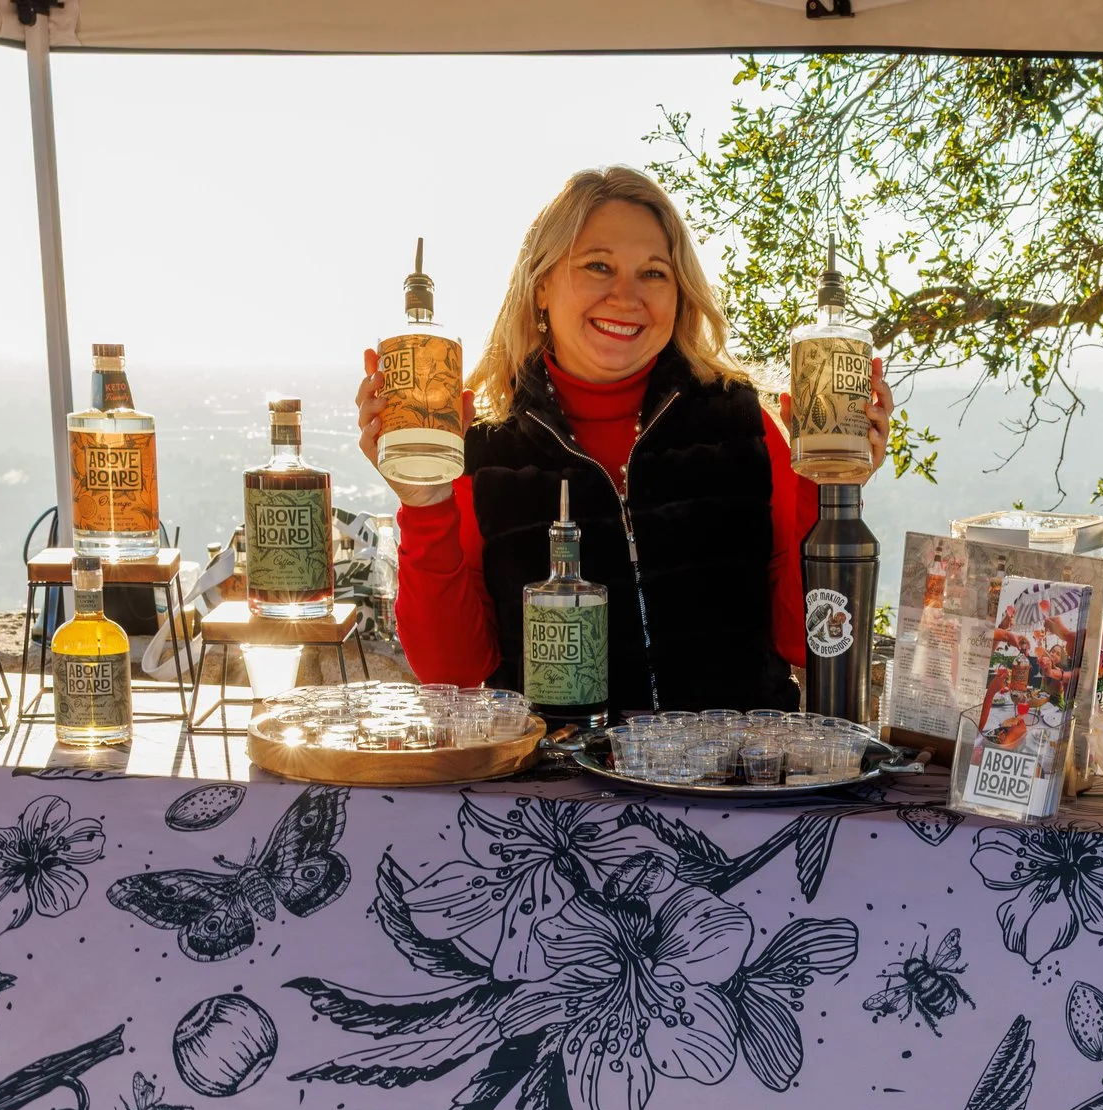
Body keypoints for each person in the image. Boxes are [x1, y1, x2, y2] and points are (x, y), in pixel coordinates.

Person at [357, 166, 893, 711]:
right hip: (560, 784)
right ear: (541, 285)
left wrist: (830, 494)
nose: (627, 296)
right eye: (598, 266)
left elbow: (804, 643)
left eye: (654, 274)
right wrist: (423, 505)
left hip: (735, 781)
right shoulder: (484, 449)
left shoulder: (742, 424)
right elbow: (452, 670)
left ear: (680, 293)